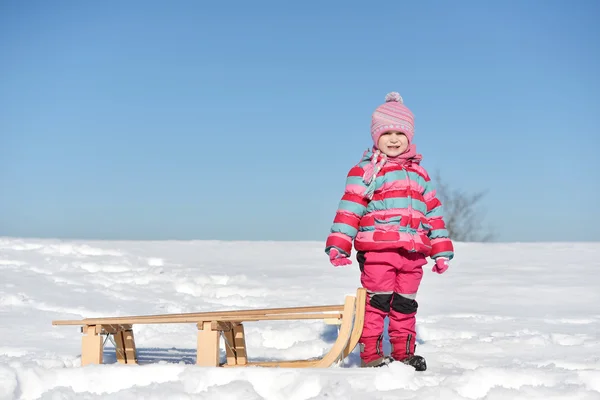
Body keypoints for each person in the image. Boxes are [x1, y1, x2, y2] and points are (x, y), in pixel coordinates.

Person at [324, 92, 454, 371]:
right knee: (378, 302)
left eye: (400, 133)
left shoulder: (420, 174)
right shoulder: (367, 171)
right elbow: (350, 207)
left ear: (409, 136)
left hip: (413, 253)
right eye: (386, 133)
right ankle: (370, 354)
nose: (393, 139)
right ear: (375, 136)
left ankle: (404, 353)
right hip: (379, 251)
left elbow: (433, 213)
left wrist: (440, 250)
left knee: (406, 304)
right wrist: (339, 243)